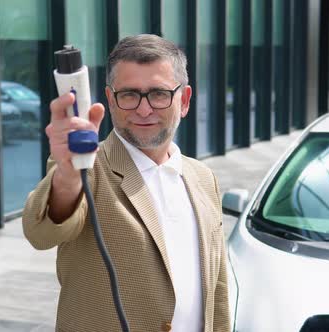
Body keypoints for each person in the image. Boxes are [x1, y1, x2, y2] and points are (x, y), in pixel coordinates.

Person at [22, 34, 230, 332]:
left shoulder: (203, 178)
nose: (143, 110)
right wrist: (68, 173)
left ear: (183, 100)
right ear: (110, 99)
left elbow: (218, 289)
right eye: (130, 95)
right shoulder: (87, 169)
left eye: (159, 94)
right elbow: (40, 233)